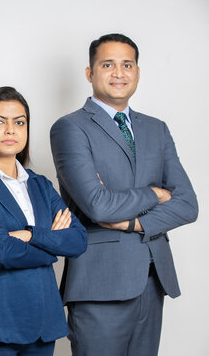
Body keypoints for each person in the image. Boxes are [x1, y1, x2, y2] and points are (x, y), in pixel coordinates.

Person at [50, 33, 198, 356]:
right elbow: (98, 205)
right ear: (90, 73)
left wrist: (133, 224)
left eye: (126, 64)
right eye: (108, 64)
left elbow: (188, 204)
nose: (119, 73)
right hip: (99, 283)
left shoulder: (156, 129)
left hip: (151, 279)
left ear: (137, 72)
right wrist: (155, 194)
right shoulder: (71, 128)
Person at [0, 86, 87, 356]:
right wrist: (51, 246)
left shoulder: (40, 184)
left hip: (43, 323)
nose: (11, 130)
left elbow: (78, 240)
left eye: (19, 122)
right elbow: (0, 250)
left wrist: (28, 235)